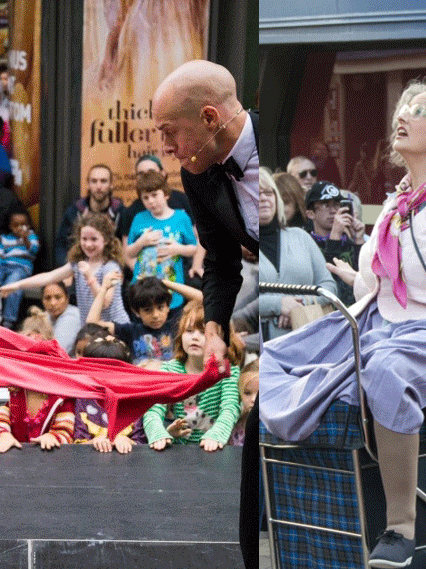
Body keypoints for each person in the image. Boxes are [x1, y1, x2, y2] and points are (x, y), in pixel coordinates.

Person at [260, 72, 426, 568]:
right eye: (404, 107)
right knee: (280, 354)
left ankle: (400, 527)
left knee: (383, 369)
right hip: (385, 323)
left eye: (419, 111)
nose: (402, 116)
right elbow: (385, 286)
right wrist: (355, 275)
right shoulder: (398, 205)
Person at [153, 60, 260, 568]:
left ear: (211, 117)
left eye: (170, 133)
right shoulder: (195, 175)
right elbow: (219, 261)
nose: (167, 148)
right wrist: (214, 326)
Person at [143, 300, 245, 452]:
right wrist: (158, 432)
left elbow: (229, 408)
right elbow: (153, 408)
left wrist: (215, 435)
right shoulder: (169, 369)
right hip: (180, 454)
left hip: (215, 451)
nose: (194, 337)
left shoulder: (227, 371)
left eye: (204, 333)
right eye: (189, 331)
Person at [1, 212, 130, 326]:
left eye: (94, 239)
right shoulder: (78, 263)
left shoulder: (111, 267)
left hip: (114, 328)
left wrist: (90, 278)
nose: (88, 244)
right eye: (84, 239)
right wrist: (16, 285)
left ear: (106, 240)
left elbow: (106, 302)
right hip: (91, 328)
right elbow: (48, 277)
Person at [260, 169, 337, 341]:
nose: (264, 198)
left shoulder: (301, 237)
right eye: (256, 194)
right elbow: (234, 301)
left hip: (307, 341)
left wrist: (298, 306)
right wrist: (278, 305)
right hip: (255, 346)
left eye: (268, 193)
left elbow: (329, 286)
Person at [124, 170, 202, 311]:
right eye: (145, 198)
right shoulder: (139, 218)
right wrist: (141, 242)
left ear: (165, 193)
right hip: (142, 290)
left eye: (154, 195)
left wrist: (177, 249)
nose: (151, 201)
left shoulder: (181, 217)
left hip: (172, 289)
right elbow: (129, 253)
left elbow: (193, 248)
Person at [86, 275, 203, 366]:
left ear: (168, 306)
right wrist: (103, 289)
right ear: (137, 312)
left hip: (172, 383)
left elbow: (202, 299)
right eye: (148, 310)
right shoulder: (130, 331)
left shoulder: (176, 324)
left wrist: (164, 283)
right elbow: (92, 324)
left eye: (160, 307)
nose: (155, 315)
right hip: (143, 385)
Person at [304, 180, 365, 305]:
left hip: (355, 313)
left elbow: (364, 277)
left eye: (337, 204)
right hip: (326, 312)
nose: (333, 211)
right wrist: (335, 235)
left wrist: (358, 240)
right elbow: (330, 279)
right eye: (326, 205)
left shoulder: (348, 240)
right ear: (310, 214)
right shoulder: (305, 243)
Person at [57, 164, 126, 267]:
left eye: (103, 181)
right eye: (94, 181)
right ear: (88, 184)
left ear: (111, 184)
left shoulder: (121, 213)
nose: (98, 186)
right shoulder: (74, 212)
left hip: (112, 270)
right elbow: (61, 246)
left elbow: (126, 250)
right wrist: (68, 268)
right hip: (80, 269)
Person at [116, 154, 192, 240]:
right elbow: (127, 251)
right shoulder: (131, 213)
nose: (146, 177)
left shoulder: (184, 200)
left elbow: (198, 239)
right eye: (141, 174)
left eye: (151, 172)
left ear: (163, 173)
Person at [0, 386, 75, 454]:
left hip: (48, 462)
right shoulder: (6, 388)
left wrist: (53, 437)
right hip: (8, 460)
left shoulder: (64, 395)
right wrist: (3, 435)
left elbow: (66, 430)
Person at [0, 211, 39, 328]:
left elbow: (34, 251)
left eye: (23, 225)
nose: (19, 228)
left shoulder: (31, 236)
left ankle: (8, 320)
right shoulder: (4, 238)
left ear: (28, 226)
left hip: (21, 267)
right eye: (16, 225)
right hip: (4, 266)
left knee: (12, 287)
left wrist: (26, 240)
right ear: (10, 226)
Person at [41, 281, 82, 357]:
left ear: (67, 298)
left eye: (58, 297)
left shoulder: (72, 316)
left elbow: (56, 351)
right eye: (47, 298)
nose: (52, 303)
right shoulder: (45, 315)